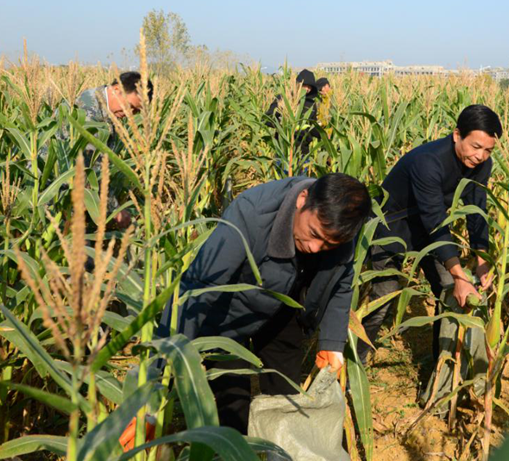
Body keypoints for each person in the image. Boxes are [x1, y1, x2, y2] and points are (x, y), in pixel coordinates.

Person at [155, 173, 371, 434]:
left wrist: (333, 344)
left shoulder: (343, 226)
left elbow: (341, 281)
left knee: (286, 396)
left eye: (328, 243)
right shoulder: (251, 214)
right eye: (314, 234)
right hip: (228, 315)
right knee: (233, 404)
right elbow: (199, 289)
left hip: (285, 308)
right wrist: (155, 382)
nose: (315, 248)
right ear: (302, 200)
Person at [359, 105, 502, 364]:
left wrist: (482, 261)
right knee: (384, 297)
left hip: (430, 229)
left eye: (488, 150)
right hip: (391, 227)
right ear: (457, 135)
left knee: (451, 293)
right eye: (476, 146)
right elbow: (435, 220)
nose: (481, 156)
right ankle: (353, 365)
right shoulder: (429, 161)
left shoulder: (482, 165)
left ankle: (442, 371)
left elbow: (477, 212)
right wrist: (460, 274)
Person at [50, 71, 153, 229]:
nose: (129, 114)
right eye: (130, 106)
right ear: (117, 89)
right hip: (52, 193)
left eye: (136, 112)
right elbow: (90, 171)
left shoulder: (107, 111)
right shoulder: (89, 113)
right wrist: (115, 209)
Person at [265, 69, 321, 158]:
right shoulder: (283, 98)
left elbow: (312, 126)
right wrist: (283, 123)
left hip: (302, 151)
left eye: (309, 87)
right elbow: (267, 119)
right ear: (297, 84)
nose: (306, 89)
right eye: (304, 85)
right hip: (283, 150)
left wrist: (323, 135)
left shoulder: (311, 104)